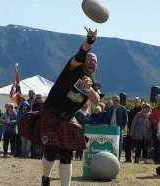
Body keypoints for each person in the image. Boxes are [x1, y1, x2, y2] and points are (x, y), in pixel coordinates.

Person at [32, 27, 102, 186]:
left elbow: (96, 100)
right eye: (90, 59)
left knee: (67, 154)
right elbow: (80, 54)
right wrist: (90, 40)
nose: (93, 62)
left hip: (68, 118)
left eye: (95, 62)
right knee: (51, 150)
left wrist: (89, 88)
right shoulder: (73, 68)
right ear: (85, 61)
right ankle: (46, 178)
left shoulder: (94, 83)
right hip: (51, 112)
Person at [104, 95, 128, 160]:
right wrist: (106, 124)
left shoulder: (123, 108)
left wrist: (121, 127)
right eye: (115, 100)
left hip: (118, 129)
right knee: (109, 142)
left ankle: (118, 158)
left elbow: (125, 119)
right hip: (110, 128)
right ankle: (109, 158)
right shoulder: (109, 108)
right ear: (113, 100)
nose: (117, 101)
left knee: (118, 144)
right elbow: (106, 117)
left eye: (118, 100)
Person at [125, 97, 142, 163]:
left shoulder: (142, 110)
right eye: (134, 101)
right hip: (130, 130)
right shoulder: (131, 110)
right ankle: (128, 159)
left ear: (140, 102)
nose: (135, 102)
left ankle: (137, 160)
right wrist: (129, 129)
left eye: (137, 101)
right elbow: (129, 121)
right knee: (127, 145)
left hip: (138, 131)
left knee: (137, 146)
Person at [150, 94, 160, 164]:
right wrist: (157, 122)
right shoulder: (154, 109)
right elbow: (152, 118)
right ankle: (156, 160)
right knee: (156, 145)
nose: (158, 100)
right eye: (157, 99)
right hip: (156, 129)